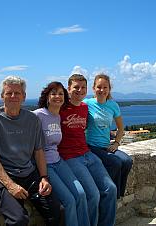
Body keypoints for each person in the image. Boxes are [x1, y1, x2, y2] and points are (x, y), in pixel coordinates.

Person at [0, 75, 60, 226]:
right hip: (3, 176)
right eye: (9, 93)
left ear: (24, 97)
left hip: (29, 174)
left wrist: (44, 178)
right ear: (2, 96)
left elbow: (38, 151)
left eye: (17, 93)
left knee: (56, 211)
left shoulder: (32, 119)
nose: (13, 96)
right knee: (18, 220)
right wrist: (10, 186)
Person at [58, 74, 117, 226]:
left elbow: (96, 124)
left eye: (83, 87)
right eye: (76, 87)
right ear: (68, 89)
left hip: (87, 153)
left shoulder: (85, 107)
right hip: (70, 157)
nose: (79, 90)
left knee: (110, 189)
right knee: (93, 195)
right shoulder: (60, 108)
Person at [33, 82, 90, 226]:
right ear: (47, 97)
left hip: (58, 161)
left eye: (60, 93)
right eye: (53, 93)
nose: (57, 96)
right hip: (46, 165)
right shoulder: (38, 115)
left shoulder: (57, 116)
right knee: (69, 201)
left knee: (81, 194)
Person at [83, 73, 133, 199]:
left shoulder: (113, 105)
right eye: (99, 87)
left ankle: (117, 194)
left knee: (127, 161)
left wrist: (116, 143)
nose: (102, 90)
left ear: (109, 89)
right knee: (115, 163)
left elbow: (121, 128)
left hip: (106, 146)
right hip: (91, 146)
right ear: (93, 88)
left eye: (105, 87)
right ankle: (105, 192)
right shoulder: (86, 104)